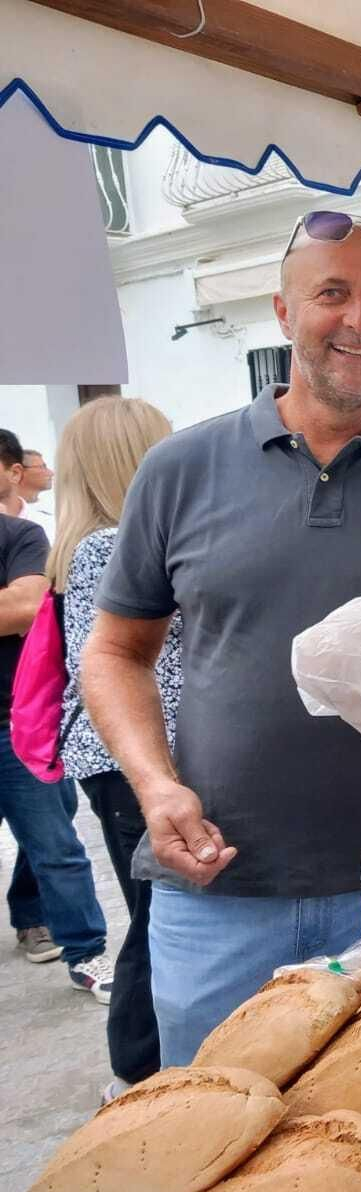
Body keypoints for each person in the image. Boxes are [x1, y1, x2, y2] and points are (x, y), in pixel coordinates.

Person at [81, 210, 361, 1067]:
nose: (359, 321)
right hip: (215, 886)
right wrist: (152, 784)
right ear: (284, 313)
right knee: (203, 1138)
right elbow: (114, 652)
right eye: (332, 293)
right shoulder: (180, 469)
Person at [48, 397, 177, 1098]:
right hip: (138, 758)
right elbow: (140, 666)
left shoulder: (86, 546)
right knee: (163, 916)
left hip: (117, 759)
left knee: (157, 910)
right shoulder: (115, 547)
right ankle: (138, 1072)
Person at [0, 428, 113, 1001]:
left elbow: (22, 604)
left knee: (55, 847)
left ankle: (86, 953)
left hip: (11, 726)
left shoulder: (19, 534)